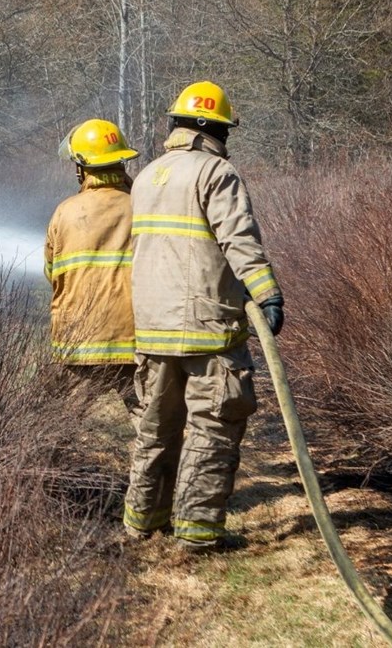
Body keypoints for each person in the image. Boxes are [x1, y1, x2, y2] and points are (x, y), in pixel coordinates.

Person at [122, 81, 284, 551]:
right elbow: (239, 241)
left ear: (177, 125)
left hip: (152, 330)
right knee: (212, 428)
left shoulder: (149, 175)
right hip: (207, 329)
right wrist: (267, 294)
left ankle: (141, 524)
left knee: (154, 432)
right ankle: (196, 535)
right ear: (214, 129)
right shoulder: (217, 173)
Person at [44, 118, 140, 415]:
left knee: (59, 425)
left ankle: (43, 464)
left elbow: (51, 272)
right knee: (153, 428)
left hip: (79, 343)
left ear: (81, 167)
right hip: (135, 340)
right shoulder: (141, 205)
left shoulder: (65, 212)